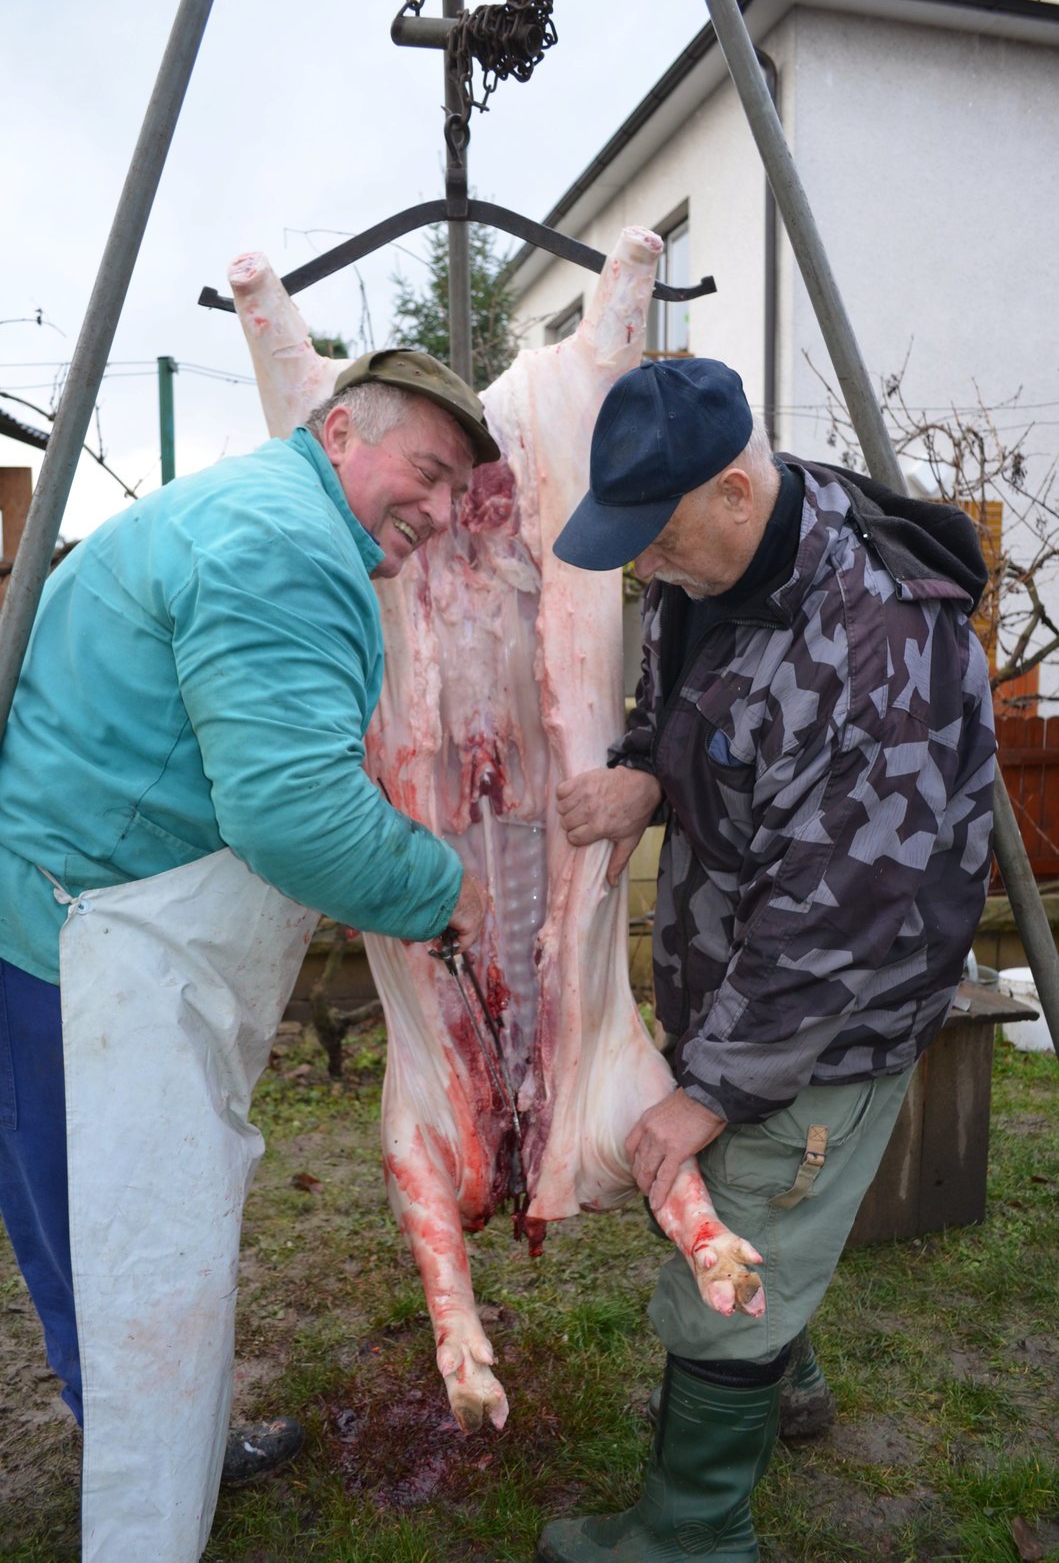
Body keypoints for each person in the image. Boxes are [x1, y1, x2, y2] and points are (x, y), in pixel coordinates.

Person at [0, 348, 497, 1562]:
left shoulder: (250, 509)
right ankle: (142, 1497)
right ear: (339, 432)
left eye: (454, 497)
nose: (435, 514)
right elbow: (291, 815)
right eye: (424, 473)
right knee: (126, 1233)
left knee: (118, 1225)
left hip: (79, 916)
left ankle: (154, 1421)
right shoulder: (286, 547)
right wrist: (446, 888)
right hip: (78, 946)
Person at [540, 357, 996, 1563]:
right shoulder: (724, 565)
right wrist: (647, 766)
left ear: (737, 489)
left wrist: (706, 1091)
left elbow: (835, 914)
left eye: (657, 537)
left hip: (828, 1014)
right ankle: (778, 1387)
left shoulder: (879, 640)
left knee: (734, 1234)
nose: (642, 566)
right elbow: (691, 703)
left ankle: (695, 1532)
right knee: (743, 1207)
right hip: (739, 971)